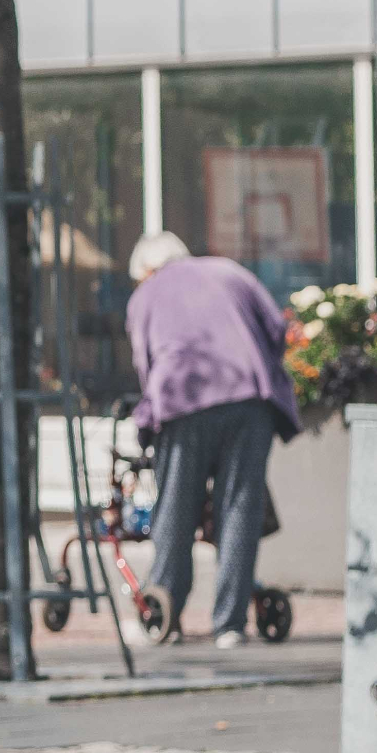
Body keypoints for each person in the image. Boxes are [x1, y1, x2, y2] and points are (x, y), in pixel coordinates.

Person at [122, 229, 300, 648]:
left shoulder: (146, 295)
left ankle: (165, 615)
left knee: (176, 510)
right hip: (249, 399)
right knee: (239, 508)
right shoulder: (229, 272)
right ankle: (231, 624)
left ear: (147, 270)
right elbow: (277, 329)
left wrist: (147, 419)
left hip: (184, 400)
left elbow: (146, 363)